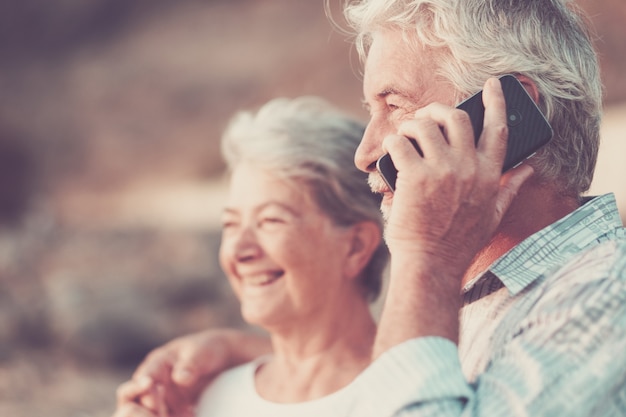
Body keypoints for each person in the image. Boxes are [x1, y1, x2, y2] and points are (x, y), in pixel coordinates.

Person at [117, 0, 626, 416]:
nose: (366, 152)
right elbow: (394, 379)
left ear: (504, 121)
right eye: (370, 112)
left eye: (395, 105)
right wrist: (249, 361)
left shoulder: (607, 298)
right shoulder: (487, 300)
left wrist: (425, 254)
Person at [113, 96, 389, 417]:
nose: (239, 250)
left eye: (270, 220)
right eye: (230, 224)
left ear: (356, 246)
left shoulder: (416, 396)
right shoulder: (204, 402)